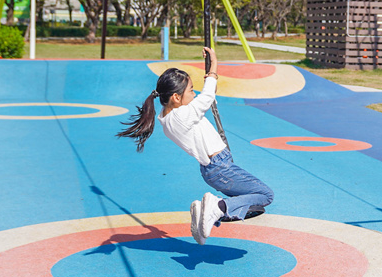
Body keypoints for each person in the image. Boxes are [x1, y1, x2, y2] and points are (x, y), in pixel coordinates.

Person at [117, 47, 273, 245]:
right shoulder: (182, 116)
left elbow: (203, 98)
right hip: (220, 167)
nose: (194, 93)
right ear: (175, 97)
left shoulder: (167, 118)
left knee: (251, 204)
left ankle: (206, 213)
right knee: (265, 195)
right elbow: (207, 96)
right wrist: (214, 66)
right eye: (191, 90)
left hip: (213, 170)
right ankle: (216, 207)